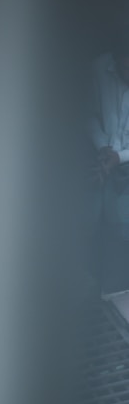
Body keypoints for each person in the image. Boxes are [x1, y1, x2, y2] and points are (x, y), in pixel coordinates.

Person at [88, 27, 129, 292]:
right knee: (96, 231)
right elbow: (86, 113)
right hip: (101, 162)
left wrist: (119, 157)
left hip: (122, 167)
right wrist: (103, 147)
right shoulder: (99, 69)